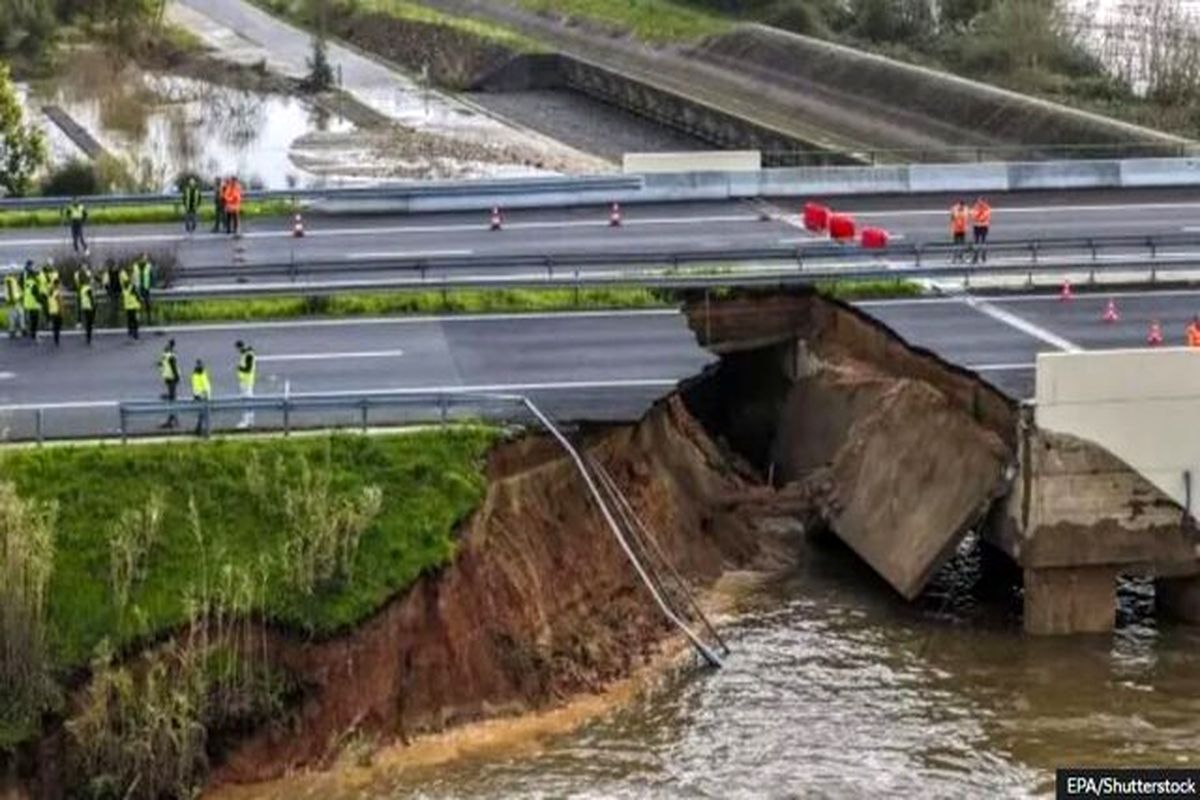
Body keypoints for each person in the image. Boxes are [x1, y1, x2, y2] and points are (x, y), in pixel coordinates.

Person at [159, 339, 181, 429]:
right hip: (171, 379)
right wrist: (177, 377)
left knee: (172, 398)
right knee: (172, 399)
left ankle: (173, 420)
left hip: (169, 379)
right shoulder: (170, 356)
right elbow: (172, 367)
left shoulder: (166, 356)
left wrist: (176, 377)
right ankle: (173, 420)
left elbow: (167, 366)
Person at [235, 340, 256, 429]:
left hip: (246, 382)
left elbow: (248, 369)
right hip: (245, 381)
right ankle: (250, 420)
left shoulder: (248, 355)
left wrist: (239, 368)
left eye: (238, 348)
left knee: (246, 402)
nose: (238, 351)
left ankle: (246, 422)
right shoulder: (246, 354)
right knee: (249, 401)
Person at [191, 359, 212, 436]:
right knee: (204, 415)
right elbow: (199, 386)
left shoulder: (199, 373)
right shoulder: (199, 374)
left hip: (203, 396)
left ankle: (198, 430)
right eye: (199, 364)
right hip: (202, 397)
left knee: (202, 415)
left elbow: (204, 385)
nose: (201, 366)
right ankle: (203, 432)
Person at [971, 196, 992, 264]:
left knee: (983, 242)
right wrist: (979, 215)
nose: (979, 202)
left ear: (983, 201)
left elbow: (986, 216)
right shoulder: (975, 207)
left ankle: (983, 257)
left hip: (983, 226)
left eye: (980, 201)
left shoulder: (987, 207)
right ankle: (975, 257)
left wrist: (979, 215)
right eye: (978, 201)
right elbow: (973, 216)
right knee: (976, 242)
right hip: (977, 226)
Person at [4, 265, 23, 339]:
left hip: (15, 300)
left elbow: (16, 289)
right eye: (14, 271)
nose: (16, 272)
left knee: (18, 315)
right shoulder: (9, 280)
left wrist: (20, 295)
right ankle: (12, 331)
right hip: (13, 301)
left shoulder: (12, 279)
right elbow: (10, 291)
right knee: (14, 316)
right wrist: (13, 300)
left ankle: (14, 330)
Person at [133, 254, 153, 323]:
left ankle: (149, 319)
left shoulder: (149, 266)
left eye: (146, 258)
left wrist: (151, 285)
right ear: (140, 258)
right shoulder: (135, 266)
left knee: (147, 304)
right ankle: (138, 319)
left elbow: (152, 276)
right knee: (137, 305)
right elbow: (133, 277)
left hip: (146, 287)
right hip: (138, 287)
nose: (145, 259)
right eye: (144, 258)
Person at [22, 266, 39, 342]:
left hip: (27, 302)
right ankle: (34, 335)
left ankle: (29, 332)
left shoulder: (27, 281)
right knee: (34, 321)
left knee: (30, 319)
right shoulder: (34, 284)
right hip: (34, 304)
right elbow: (36, 294)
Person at [121, 276, 142, 340]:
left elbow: (137, 296)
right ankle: (131, 331)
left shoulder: (132, 288)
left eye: (126, 282)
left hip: (134, 307)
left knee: (134, 320)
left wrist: (139, 303)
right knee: (130, 320)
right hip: (128, 307)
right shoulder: (124, 289)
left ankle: (135, 333)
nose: (125, 284)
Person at [78, 273, 96, 345]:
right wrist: (93, 305)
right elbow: (91, 297)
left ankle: (87, 336)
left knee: (87, 322)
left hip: (84, 306)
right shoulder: (88, 288)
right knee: (89, 323)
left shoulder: (82, 288)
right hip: (89, 306)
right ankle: (89, 337)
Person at [104, 259, 122, 326]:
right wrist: (109, 290)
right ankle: (112, 322)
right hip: (113, 292)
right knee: (112, 307)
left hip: (116, 292)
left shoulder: (117, 273)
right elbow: (106, 283)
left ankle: (114, 322)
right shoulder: (109, 273)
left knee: (115, 307)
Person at [46, 277, 63, 347]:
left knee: (55, 327)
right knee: (58, 327)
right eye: (59, 284)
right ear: (57, 284)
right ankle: (57, 340)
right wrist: (61, 311)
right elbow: (59, 302)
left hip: (51, 311)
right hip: (57, 311)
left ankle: (55, 339)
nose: (60, 285)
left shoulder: (50, 292)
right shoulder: (57, 292)